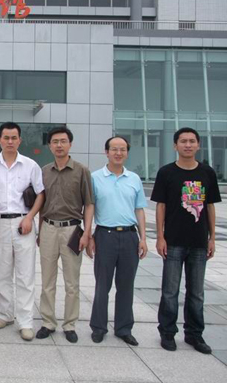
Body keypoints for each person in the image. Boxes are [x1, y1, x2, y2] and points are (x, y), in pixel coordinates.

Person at [152, 127, 220, 354]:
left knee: (197, 293)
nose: (188, 145)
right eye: (183, 141)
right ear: (175, 145)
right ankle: (167, 333)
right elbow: (160, 206)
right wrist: (160, 236)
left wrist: (212, 238)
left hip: (199, 242)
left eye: (192, 141)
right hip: (173, 241)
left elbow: (209, 207)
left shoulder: (207, 173)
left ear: (198, 145)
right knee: (170, 291)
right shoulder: (166, 172)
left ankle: (194, 334)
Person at [0, 122, 44, 341]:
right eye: (6, 138)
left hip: (23, 222)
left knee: (25, 274)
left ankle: (25, 321)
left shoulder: (30, 165)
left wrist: (30, 217)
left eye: (13, 138)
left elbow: (40, 194)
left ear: (19, 140)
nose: (9, 141)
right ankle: (5, 314)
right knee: (3, 273)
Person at [36, 126, 94, 343]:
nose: (59, 145)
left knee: (72, 282)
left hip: (72, 230)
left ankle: (70, 324)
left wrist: (87, 233)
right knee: (47, 280)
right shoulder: (44, 171)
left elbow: (89, 204)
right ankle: (48, 322)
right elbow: (41, 203)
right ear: (49, 146)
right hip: (48, 228)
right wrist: (40, 230)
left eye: (63, 141)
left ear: (70, 144)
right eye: (55, 142)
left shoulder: (81, 171)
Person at [88, 136, 147, 346]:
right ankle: (98, 327)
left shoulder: (134, 179)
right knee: (102, 285)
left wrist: (143, 238)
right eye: (114, 149)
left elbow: (139, 209)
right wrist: (89, 235)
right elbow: (90, 207)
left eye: (122, 149)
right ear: (106, 152)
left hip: (130, 236)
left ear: (127, 153)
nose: (118, 153)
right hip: (105, 235)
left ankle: (124, 328)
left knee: (126, 285)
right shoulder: (95, 177)